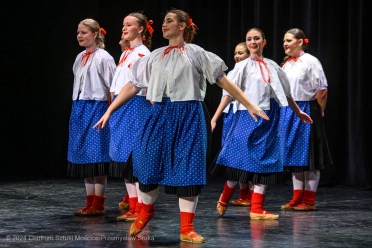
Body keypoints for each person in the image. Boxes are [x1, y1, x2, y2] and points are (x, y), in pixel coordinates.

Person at [94, 9, 269, 243]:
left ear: (183, 25)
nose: (164, 25)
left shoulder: (196, 53)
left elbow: (223, 81)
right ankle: (146, 210)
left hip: (189, 114)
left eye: (169, 21)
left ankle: (186, 228)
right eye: (164, 21)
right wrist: (109, 109)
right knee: (146, 162)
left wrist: (249, 104)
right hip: (158, 113)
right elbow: (133, 85)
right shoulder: (154, 55)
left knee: (188, 168)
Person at [209, 27, 313, 220]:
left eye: (257, 38)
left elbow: (286, 92)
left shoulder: (273, 66)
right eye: (249, 39)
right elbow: (228, 95)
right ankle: (225, 196)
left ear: (264, 42)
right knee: (238, 162)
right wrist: (214, 118)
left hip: (269, 118)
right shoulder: (241, 67)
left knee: (264, 161)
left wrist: (298, 112)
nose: (253, 42)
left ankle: (256, 208)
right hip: (246, 117)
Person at [280, 28, 333, 211]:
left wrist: (319, 111)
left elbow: (322, 90)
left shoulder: (311, 61)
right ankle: (297, 197)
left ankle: (309, 200)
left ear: (300, 41)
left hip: (307, 109)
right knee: (296, 157)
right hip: (290, 111)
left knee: (309, 157)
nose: (285, 44)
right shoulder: (287, 64)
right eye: (284, 41)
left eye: (289, 40)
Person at [67, 18, 116, 216]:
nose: (80, 35)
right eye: (78, 32)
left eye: (84, 32)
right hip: (79, 107)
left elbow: (113, 88)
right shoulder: (79, 57)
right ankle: (89, 202)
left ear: (95, 34)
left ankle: (99, 204)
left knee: (97, 155)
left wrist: (110, 112)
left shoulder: (104, 57)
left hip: (97, 107)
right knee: (84, 155)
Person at [108, 12, 154, 222]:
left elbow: (142, 85)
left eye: (129, 25)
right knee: (123, 157)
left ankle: (138, 208)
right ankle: (133, 207)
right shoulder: (126, 53)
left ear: (141, 29)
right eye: (123, 25)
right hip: (121, 106)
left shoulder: (142, 53)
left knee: (132, 157)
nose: (124, 28)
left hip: (134, 106)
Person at [211, 42, 253, 207]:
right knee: (235, 157)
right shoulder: (234, 70)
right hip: (231, 114)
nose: (237, 56)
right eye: (236, 53)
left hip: (241, 114)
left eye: (241, 53)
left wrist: (214, 118)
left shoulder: (246, 70)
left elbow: (228, 96)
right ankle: (244, 194)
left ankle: (243, 194)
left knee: (241, 155)